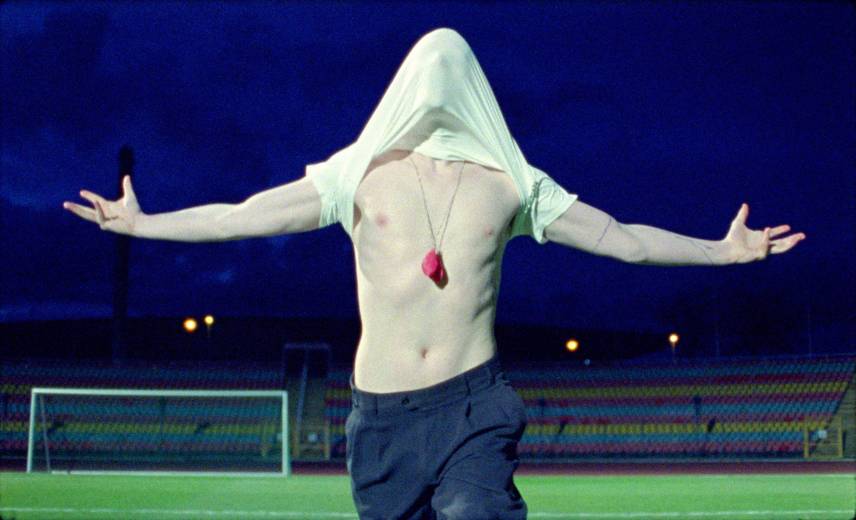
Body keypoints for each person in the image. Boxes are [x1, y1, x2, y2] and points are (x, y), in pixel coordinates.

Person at [63, 27, 805, 520]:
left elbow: (623, 240)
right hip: (381, 418)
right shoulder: (357, 174)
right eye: (427, 72)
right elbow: (242, 217)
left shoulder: (515, 184)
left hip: (473, 408)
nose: (440, 84)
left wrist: (721, 250)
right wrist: (144, 224)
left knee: (474, 511)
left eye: (456, 73)